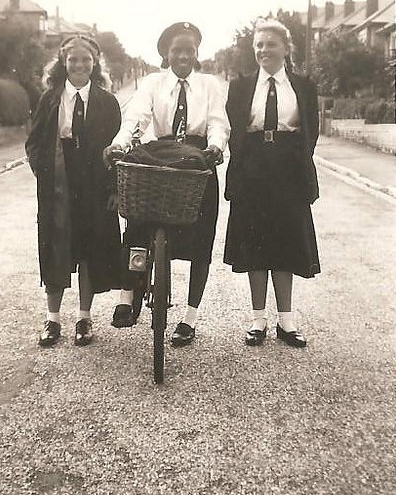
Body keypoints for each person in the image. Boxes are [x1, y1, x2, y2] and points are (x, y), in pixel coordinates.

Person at [104, 22, 230, 346]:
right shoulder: (152, 83)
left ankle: (190, 318)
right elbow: (136, 119)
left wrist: (216, 146)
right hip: (161, 156)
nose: (184, 55)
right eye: (177, 49)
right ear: (165, 53)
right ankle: (127, 293)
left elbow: (218, 122)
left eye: (190, 49)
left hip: (198, 159)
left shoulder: (209, 85)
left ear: (197, 53)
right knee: (137, 222)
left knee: (202, 240)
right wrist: (120, 143)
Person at [224, 19, 320, 347]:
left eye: (271, 44)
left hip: (288, 169)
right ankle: (257, 321)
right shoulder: (241, 85)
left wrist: (296, 164)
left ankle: (287, 322)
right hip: (252, 167)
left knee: (286, 244)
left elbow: (311, 131)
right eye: (259, 45)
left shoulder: (303, 86)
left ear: (286, 48)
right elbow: (235, 131)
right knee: (255, 245)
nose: (264, 50)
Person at [26, 34, 122, 347]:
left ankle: (84, 318)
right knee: (55, 246)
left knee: (89, 247)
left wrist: (113, 188)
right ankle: (52, 320)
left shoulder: (106, 101)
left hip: (94, 181)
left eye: (86, 60)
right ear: (63, 63)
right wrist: (43, 171)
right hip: (59, 181)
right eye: (73, 60)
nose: (79, 65)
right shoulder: (51, 98)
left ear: (95, 64)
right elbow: (35, 142)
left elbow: (116, 148)